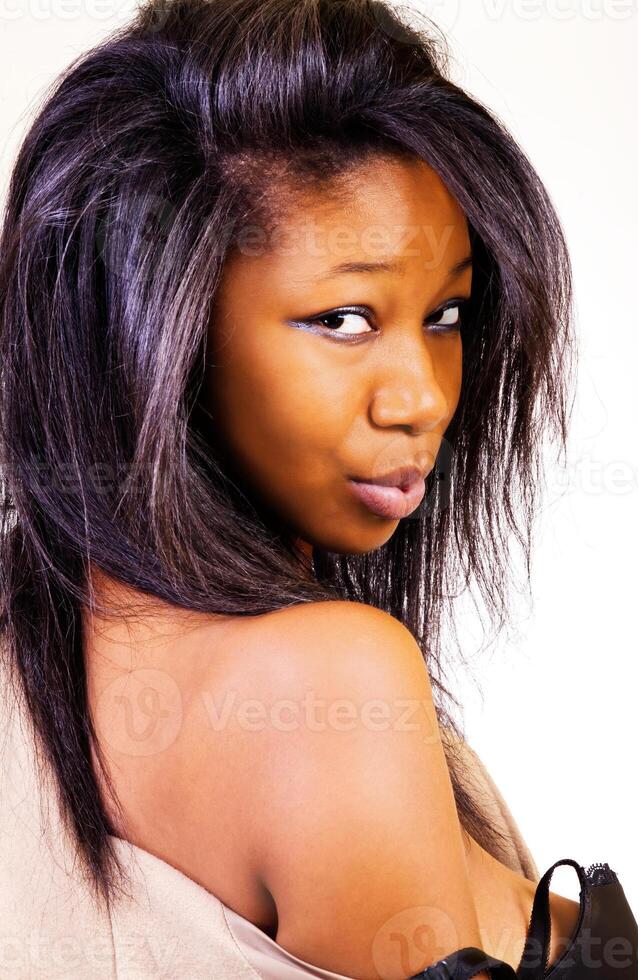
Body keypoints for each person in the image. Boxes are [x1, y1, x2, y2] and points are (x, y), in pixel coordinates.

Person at [0, 0, 585, 977]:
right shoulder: (327, 684)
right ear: (156, 329)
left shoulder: (49, 654)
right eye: (345, 318)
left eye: (444, 312)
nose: (423, 399)